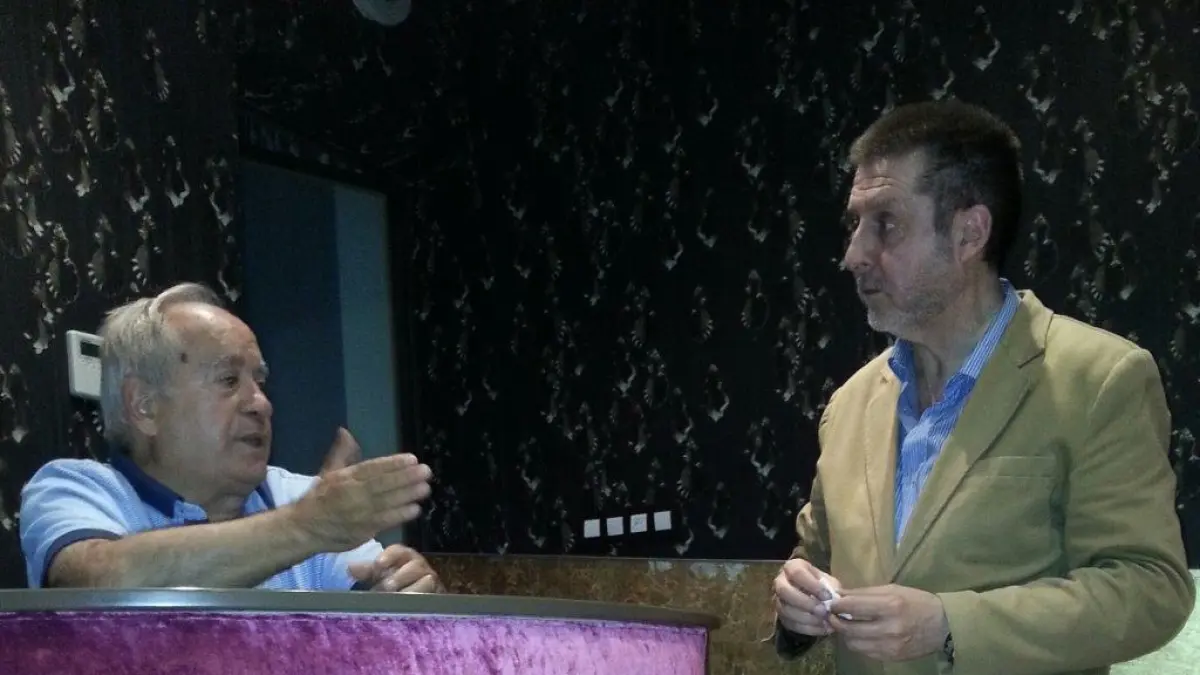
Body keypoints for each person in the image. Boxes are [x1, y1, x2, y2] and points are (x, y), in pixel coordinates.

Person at [772, 100, 1195, 674]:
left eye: (886, 224)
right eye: (856, 224)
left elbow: (1149, 588)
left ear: (969, 233)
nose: (853, 255)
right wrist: (795, 599)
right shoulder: (848, 406)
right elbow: (814, 555)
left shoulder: (1099, 380)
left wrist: (951, 626)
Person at [20, 282, 441, 593]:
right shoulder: (76, 489)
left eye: (260, 382)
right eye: (228, 380)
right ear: (144, 405)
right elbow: (96, 583)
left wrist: (406, 595)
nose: (261, 404)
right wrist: (306, 526)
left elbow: (378, 611)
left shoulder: (297, 495)